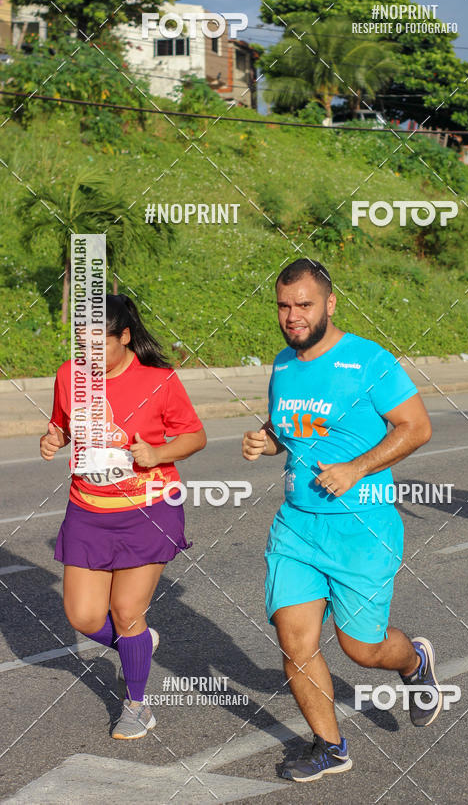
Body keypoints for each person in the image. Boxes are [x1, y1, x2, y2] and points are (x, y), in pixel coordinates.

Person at [242, 258, 441, 783]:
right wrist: (266, 440)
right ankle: (330, 747)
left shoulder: (369, 361)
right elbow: (290, 430)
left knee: (362, 649)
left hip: (363, 529)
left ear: (330, 304)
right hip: (297, 526)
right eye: (284, 306)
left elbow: (416, 427)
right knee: (295, 643)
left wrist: (357, 467)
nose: (293, 316)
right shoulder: (284, 365)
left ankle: (413, 662)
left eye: (304, 304)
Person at [40, 294, 206, 740]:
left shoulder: (159, 380)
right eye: (82, 345)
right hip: (87, 510)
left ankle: (136, 705)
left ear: (125, 336)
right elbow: (63, 426)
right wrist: (52, 439)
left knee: (127, 611)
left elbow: (195, 436)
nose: (89, 356)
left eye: (99, 345)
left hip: (148, 508)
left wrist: (158, 453)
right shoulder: (68, 376)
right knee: (83, 616)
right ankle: (138, 645)